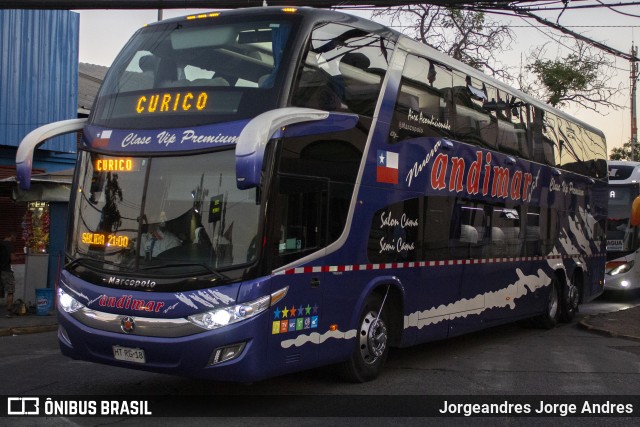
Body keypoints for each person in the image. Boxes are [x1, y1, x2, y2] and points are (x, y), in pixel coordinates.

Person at [0, 232, 17, 317]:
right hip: (6, 271)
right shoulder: (9, 245)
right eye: (15, 237)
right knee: (10, 291)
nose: (15, 240)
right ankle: (8, 312)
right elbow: (12, 258)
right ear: (11, 236)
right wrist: (20, 257)